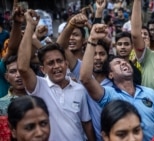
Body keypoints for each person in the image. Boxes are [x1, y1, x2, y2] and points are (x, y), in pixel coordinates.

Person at [80, 24, 154, 141]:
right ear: (110, 74)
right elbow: (86, 79)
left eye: (125, 62)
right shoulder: (108, 95)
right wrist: (92, 40)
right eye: (117, 63)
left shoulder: (150, 93)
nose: (123, 63)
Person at [17, 10, 95, 141]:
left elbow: (86, 123)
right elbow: (22, 68)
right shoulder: (38, 86)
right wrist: (30, 26)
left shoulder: (79, 89)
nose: (56, 66)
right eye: (50, 63)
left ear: (66, 63)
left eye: (59, 61)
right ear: (43, 69)